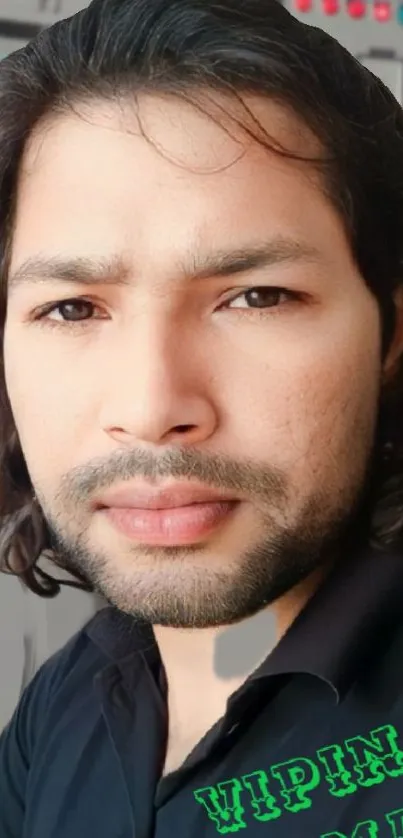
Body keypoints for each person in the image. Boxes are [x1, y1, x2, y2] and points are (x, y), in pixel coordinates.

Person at [1, 0, 403, 835]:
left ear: (390, 333)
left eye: (255, 297)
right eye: (72, 309)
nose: (150, 409)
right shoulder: (65, 703)